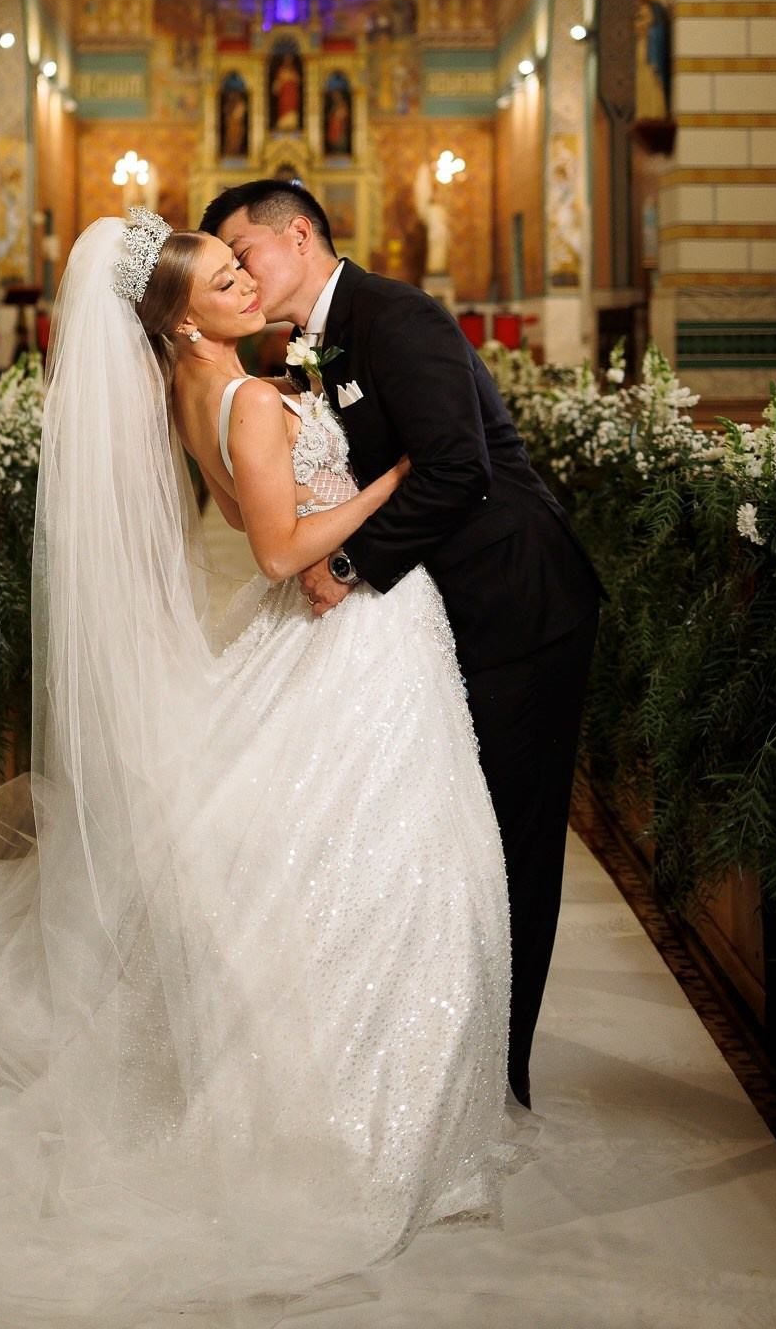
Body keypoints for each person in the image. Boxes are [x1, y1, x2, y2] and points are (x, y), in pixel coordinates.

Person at [0, 210, 514, 1325]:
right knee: (406, 876)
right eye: (223, 278)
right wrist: (386, 490)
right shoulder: (242, 393)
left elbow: (245, 516)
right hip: (355, 630)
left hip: (343, 626)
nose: (244, 283)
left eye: (242, 267)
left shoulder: (201, 395)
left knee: (381, 870)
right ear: (180, 322)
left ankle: (372, 1094)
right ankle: (361, 1115)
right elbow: (279, 549)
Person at [201, 178, 602, 1109]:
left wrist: (345, 568)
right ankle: (444, 1062)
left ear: (297, 236)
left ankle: (501, 1081)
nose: (243, 278)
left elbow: (457, 467)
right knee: (459, 840)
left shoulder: (396, 314)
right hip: (449, 609)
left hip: (519, 603)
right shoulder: (321, 336)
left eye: (242, 253)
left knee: (513, 844)